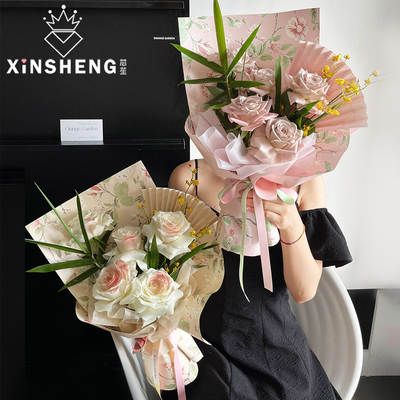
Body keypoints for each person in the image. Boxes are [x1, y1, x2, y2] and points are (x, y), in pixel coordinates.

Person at [162, 158, 353, 400]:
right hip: (206, 348)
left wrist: (291, 224)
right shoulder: (191, 177)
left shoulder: (304, 181)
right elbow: (174, 275)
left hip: (272, 347)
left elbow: (304, 291)